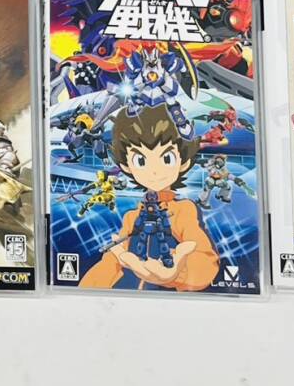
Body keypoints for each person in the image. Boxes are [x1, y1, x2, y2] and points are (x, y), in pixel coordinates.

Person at [80, 103, 219, 291]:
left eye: (167, 158)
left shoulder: (183, 210)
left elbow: (204, 259)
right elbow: (109, 267)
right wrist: (82, 292)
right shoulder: (131, 218)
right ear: (127, 166)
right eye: (141, 160)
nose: (154, 171)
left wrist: (177, 273)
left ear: (183, 161)